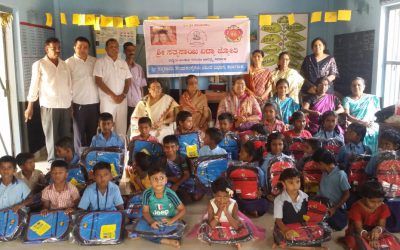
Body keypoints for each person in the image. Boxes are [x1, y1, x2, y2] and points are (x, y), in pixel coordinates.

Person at [25, 37, 72, 161]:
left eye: (58, 48)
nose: (57, 50)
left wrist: (71, 104)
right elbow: (33, 85)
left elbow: (69, 85)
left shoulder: (64, 64)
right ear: (46, 49)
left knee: (66, 136)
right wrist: (30, 106)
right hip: (49, 106)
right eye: (53, 48)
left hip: (65, 105)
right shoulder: (39, 64)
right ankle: (53, 162)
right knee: (51, 136)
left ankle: (67, 161)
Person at [274, 168, 323, 249]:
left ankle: (301, 246)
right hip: (286, 226)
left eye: (298, 181)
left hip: (302, 226)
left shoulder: (305, 197)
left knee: (318, 232)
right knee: (286, 238)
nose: (295, 186)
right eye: (291, 183)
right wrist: (286, 230)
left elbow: (307, 215)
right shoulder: (279, 200)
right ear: (283, 183)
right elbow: (278, 221)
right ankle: (311, 248)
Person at [66, 36, 99, 150]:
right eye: (79, 47)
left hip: (94, 103)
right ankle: (79, 159)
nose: (82, 49)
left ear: (88, 49)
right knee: (79, 135)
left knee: (93, 134)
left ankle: (91, 157)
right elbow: (67, 85)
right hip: (78, 104)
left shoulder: (94, 61)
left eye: (85, 47)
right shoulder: (68, 63)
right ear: (74, 47)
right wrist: (70, 104)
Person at [94, 38, 132, 136]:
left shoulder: (122, 62)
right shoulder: (100, 62)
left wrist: (123, 95)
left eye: (116, 47)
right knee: (106, 126)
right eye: (111, 47)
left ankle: (121, 149)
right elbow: (98, 81)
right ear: (106, 49)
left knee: (121, 127)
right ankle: (106, 149)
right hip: (107, 101)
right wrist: (113, 96)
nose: (114, 49)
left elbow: (128, 80)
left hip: (122, 100)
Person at [141, 164, 186, 247]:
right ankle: (166, 241)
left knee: (180, 229)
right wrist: (151, 222)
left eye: (161, 178)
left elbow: (182, 209)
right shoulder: (146, 194)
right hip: (154, 220)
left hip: (169, 220)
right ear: (149, 180)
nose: (159, 181)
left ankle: (162, 237)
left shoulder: (170, 194)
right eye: (155, 179)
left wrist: (171, 221)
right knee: (142, 230)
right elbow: (145, 211)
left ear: (166, 180)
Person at [345, 180, 396, 250]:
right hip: (358, 232)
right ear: (363, 197)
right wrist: (370, 237)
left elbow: (382, 226)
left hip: (374, 231)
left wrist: (377, 230)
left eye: (380, 201)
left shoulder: (383, 207)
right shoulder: (356, 207)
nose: (376, 204)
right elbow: (358, 229)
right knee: (358, 245)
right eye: (372, 201)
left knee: (393, 240)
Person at [312, 148, 350, 231]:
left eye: (316, 164)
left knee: (334, 224)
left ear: (321, 163)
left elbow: (347, 194)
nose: (316, 167)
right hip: (323, 204)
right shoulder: (325, 172)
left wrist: (334, 208)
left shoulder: (340, 174)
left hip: (335, 208)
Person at [343, 77, 380, 153]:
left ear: (364, 86)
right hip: (355, 125)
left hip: (370, 125)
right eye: (354, 85)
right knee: (358, 133)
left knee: (373, 130)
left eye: (359, 85)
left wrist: (370, 122)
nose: (356, 87)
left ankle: (371, 158)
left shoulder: (372, 98)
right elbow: (347, 115)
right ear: (351, 87)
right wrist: (362, 123)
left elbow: (377, 114)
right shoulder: (347, 99)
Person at [162, 135, 202, 204]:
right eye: (167, 147)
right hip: (169, 181)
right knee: (162, 187)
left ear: (177, 147)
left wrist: (176, 184)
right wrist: (169, 179)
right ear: (163, 148)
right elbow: (160, 175)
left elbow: (187, 174)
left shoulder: (181, 159)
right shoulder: (162, 160)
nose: (170, 149)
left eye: (172, 146)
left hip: (182, 180)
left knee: (193, 189)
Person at [236, 141, 268, 217]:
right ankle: (250, 209)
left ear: (250, 157)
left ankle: (246, 209)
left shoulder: (258, 171)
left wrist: (261, 192)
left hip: (248, 198)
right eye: (240, 151)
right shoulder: (258, 170)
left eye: (242, 152)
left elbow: (262, 187)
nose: (239, 154)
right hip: (244, 197)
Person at [123, 42, 147, 127]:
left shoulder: (139, 68)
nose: (131, 52)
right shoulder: (121, 66)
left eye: (133, 50)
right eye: (129, 50)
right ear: (124, 51)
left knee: (136, 125)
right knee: (125, 125)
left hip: (137, 102)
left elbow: (141, 87)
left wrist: (143, 102)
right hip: (124, 102)